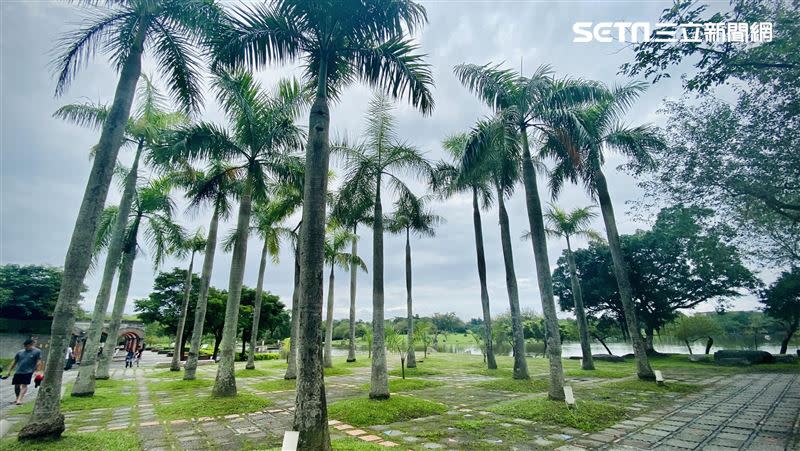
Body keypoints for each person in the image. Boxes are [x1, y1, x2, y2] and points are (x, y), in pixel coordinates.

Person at [4, 338, 43, 405]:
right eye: (24, 346)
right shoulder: (20, 352)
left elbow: (39, 361)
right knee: (16, 385)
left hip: (28, 371)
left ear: (31, 345)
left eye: (27, 346)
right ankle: (17, 398)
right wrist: (9, 371)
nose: (25, 347)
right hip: (18, 371)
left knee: (24, 385)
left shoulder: (37, 351)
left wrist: (37, 371)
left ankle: (20, 399)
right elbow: (14, 362)